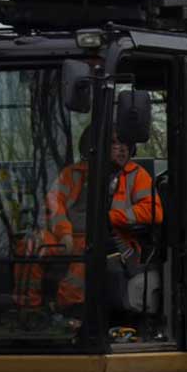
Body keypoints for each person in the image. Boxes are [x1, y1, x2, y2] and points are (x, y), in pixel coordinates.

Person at [15, 127, 162, 311]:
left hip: (111, 244)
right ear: (94, 145)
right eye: (114, 143)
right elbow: (53, 205)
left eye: (126, 143)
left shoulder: (136, 175)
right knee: (30, 245)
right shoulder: (72, 174)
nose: (122, 148)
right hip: (67, 239)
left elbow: (154, 210)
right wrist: (64, 233)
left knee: (86, 258)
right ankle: (28, 311)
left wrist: (112, 217)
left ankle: (70, 313)